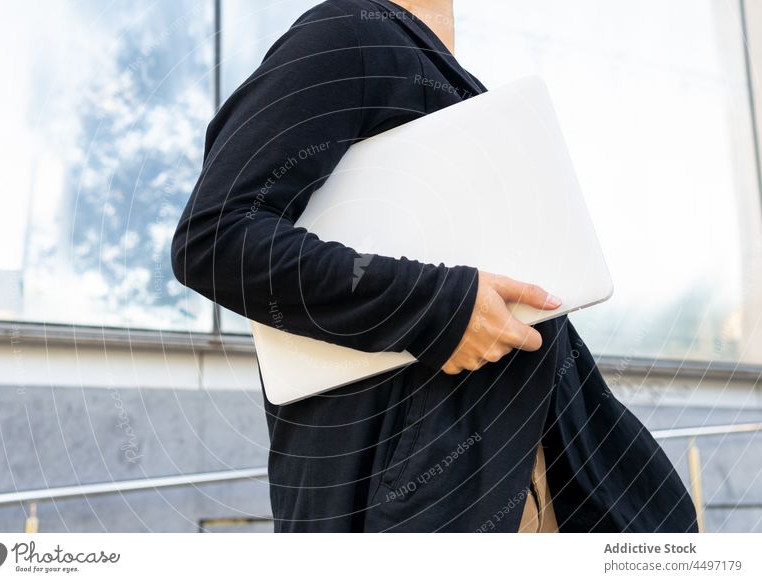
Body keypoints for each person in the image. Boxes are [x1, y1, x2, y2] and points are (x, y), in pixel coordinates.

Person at [171, 0, 698, 533]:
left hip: (528, 473)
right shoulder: (345, 33)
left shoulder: (455, 85)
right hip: (425, 496)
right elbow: (215, 239)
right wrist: (441, 309)